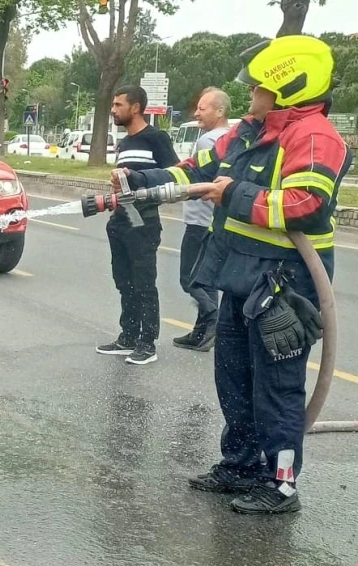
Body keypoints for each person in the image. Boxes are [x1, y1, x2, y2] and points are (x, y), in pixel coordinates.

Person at [117, 35, 352, 514]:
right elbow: (194, 169)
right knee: (234, 377)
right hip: (242, 276)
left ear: (288, 88)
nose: (251, 96)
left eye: (259, 88)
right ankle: (241, 464)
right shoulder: (249, 132)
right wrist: (139, 182)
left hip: (287, 284)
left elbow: (305, 206)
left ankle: (280, 483)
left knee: (277, 386)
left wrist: (234, 195)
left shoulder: (313, 136)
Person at [95, 86, 178, 365]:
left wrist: (139, 178)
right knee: (123, 280)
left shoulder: (156, 138)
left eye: (119, 105)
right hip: (121, 217)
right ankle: (127, 336)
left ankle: (147, 342)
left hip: (144, 220)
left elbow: (175, 176)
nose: (113, 109)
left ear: (136, 107)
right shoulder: (124, 143)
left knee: (144, 283)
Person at [172, 88, 231, 352]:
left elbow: (196, 179)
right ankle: (201, 333)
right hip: (216, 223)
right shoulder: (232, 138)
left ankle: (213, 321)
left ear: (220, 111)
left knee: (190, 279)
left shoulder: (208, 141)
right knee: (207, 280)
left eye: (202, 108)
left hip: (199, 223)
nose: (196, 113)